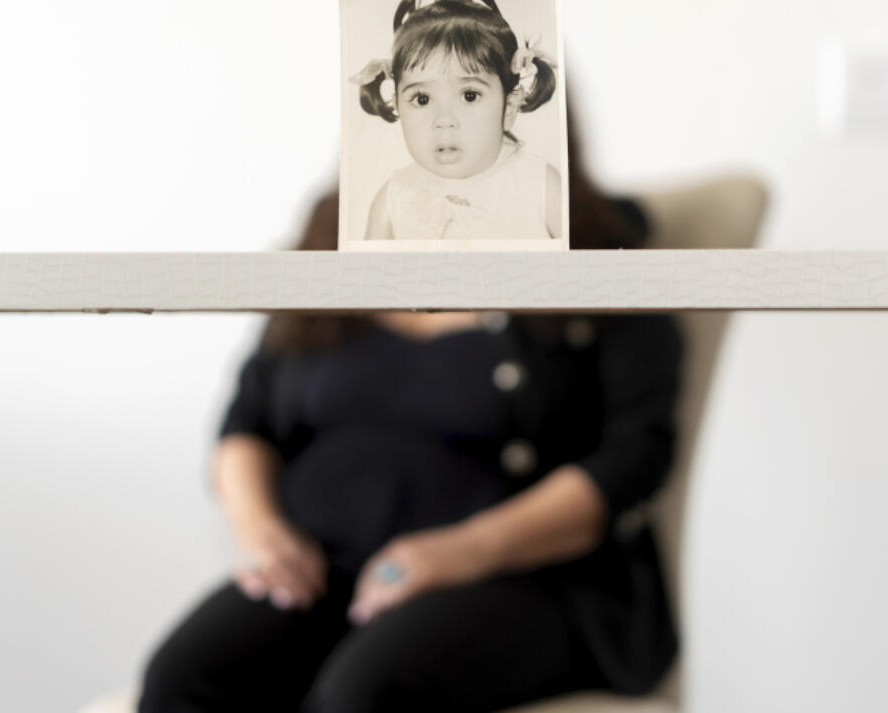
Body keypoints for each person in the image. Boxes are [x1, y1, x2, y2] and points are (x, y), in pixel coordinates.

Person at [138, 125, 684, 712]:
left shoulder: (601, 258)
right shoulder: (326, 244)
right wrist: (259, 531)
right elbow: (247, 422)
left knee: (363, 696)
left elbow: (634, 455)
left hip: (521, 570)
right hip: (326, 559)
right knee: (183, 680)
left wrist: (471, 548)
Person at [353, 0, 562, 241]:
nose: (444, 119)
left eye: (470, 96)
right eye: (422, 99)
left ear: (509, 107)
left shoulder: (542, 188)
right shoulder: (391, 200)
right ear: (397, 105)